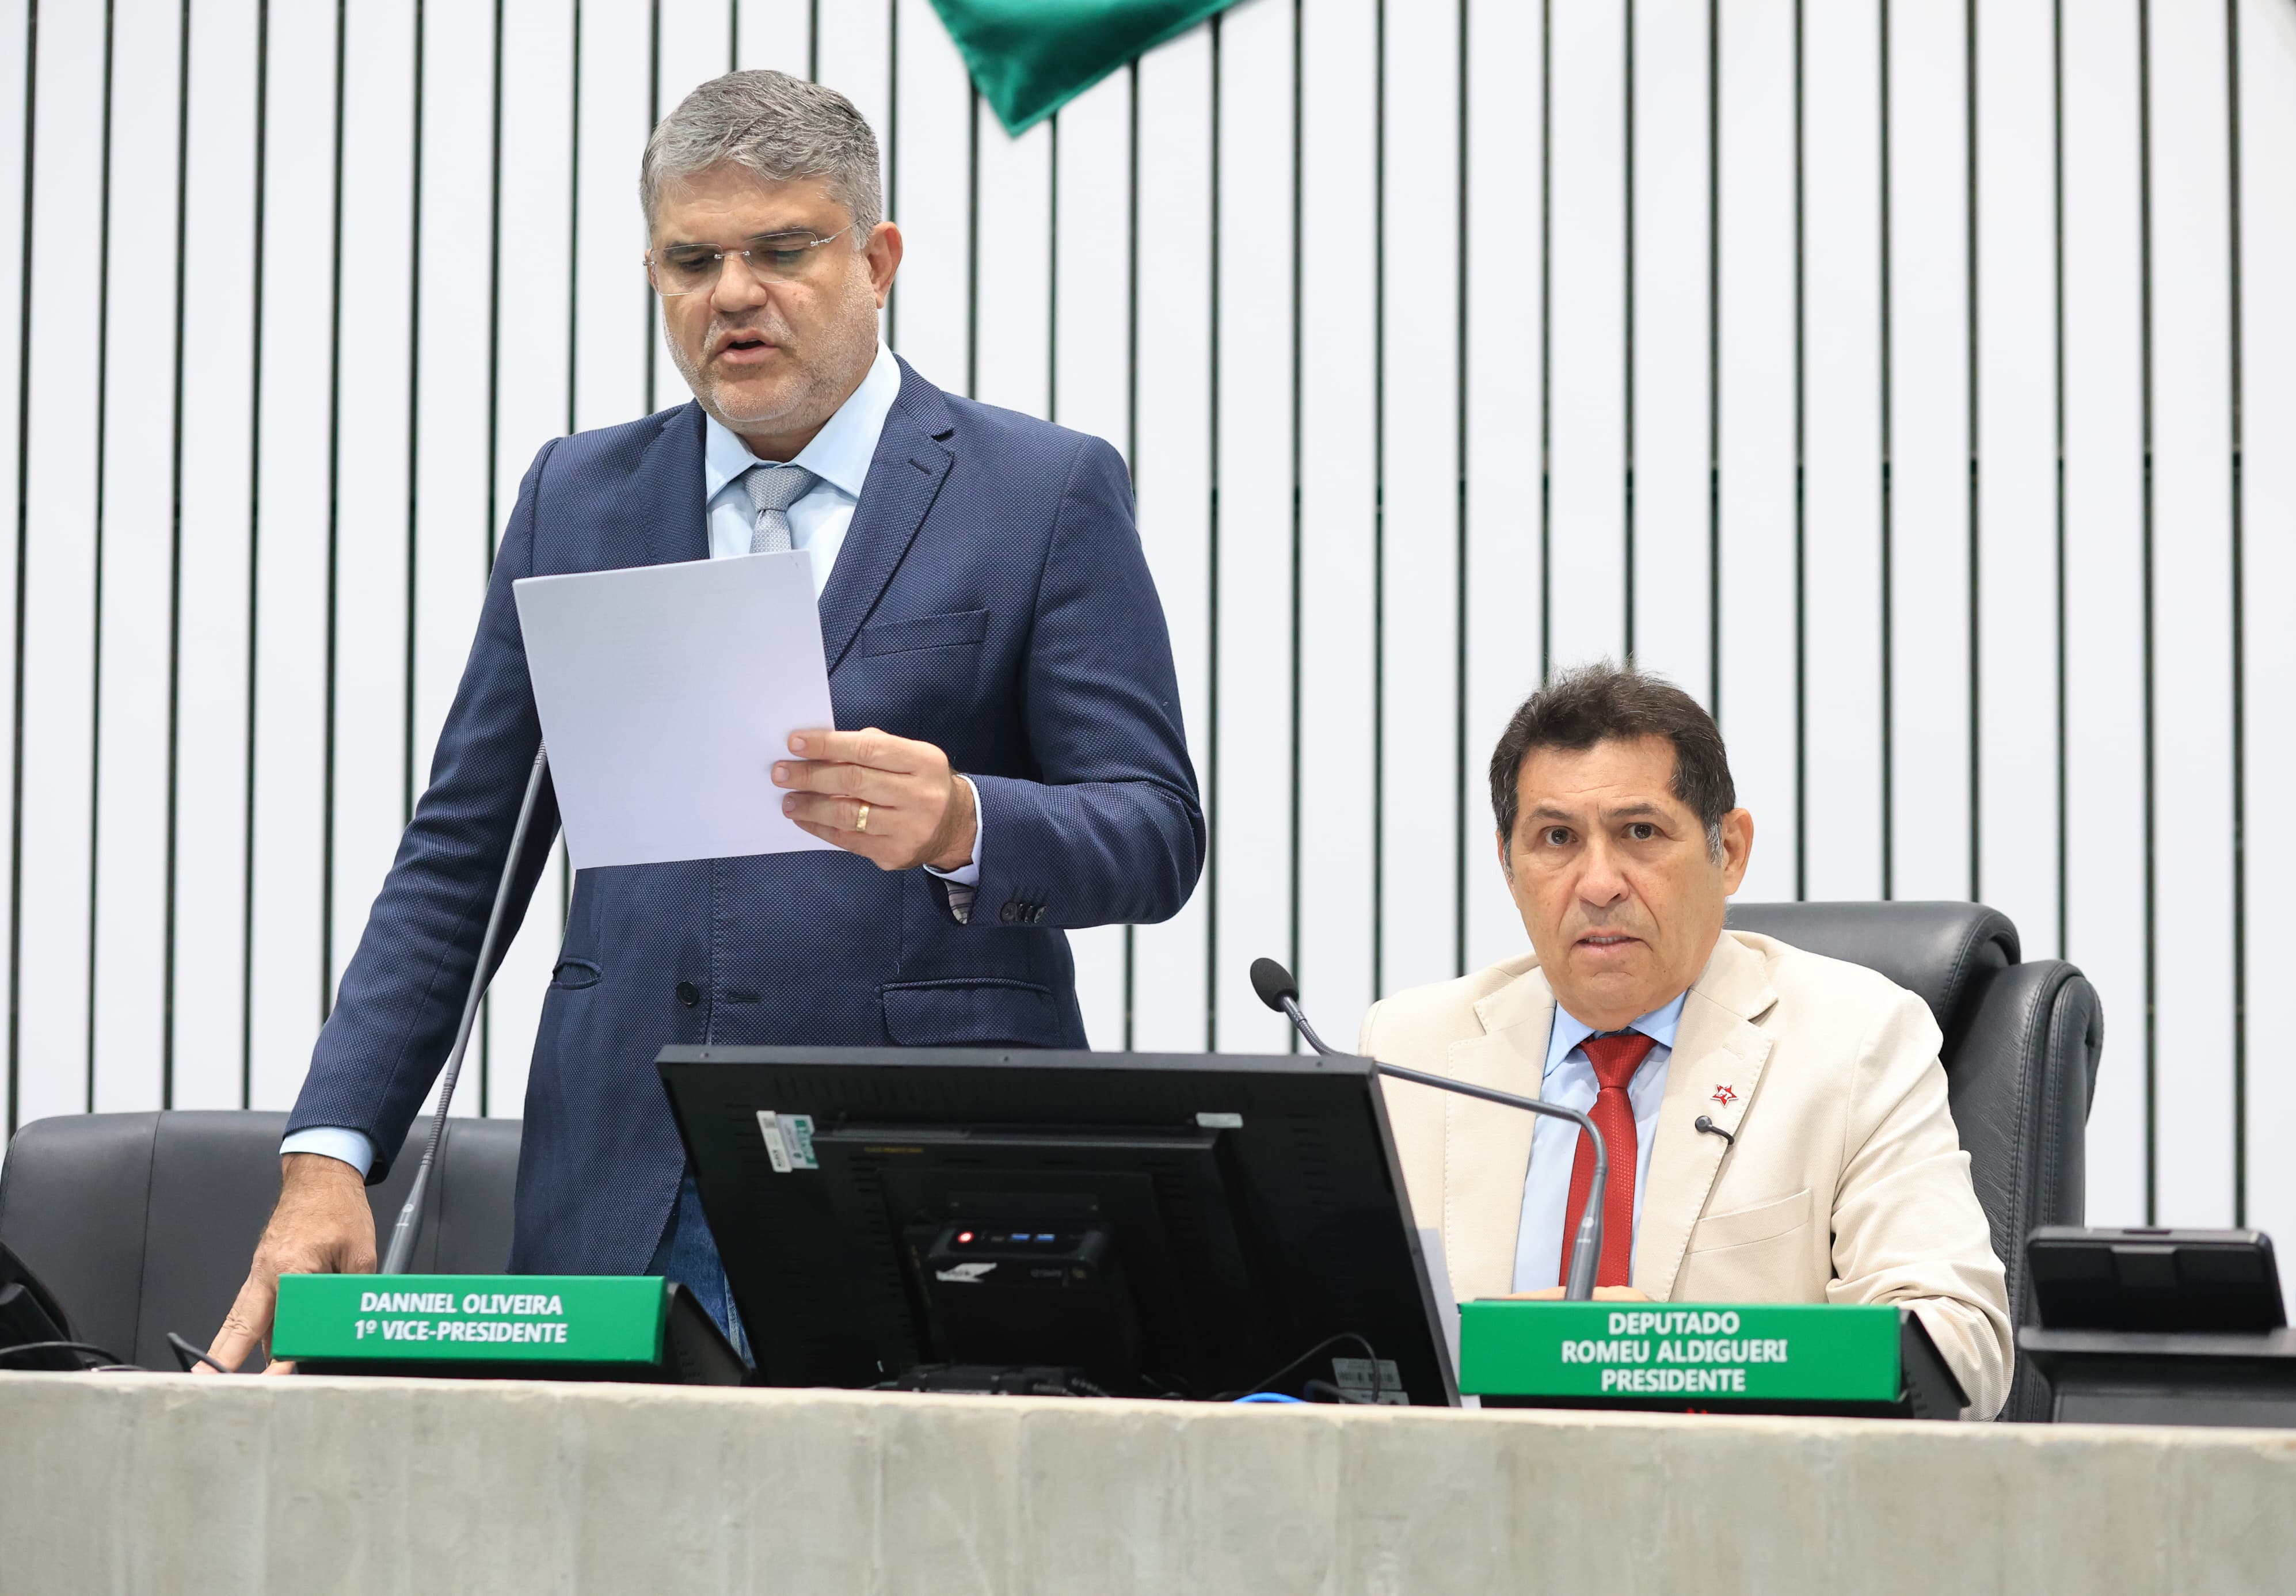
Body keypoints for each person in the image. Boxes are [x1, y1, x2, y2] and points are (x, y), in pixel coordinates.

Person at [206, 71, 1203, 1370]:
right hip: (625, 1178)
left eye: (783, 250)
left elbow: (1152, 831)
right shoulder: (580, 495)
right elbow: (463, 855)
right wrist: (330, 1151)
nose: (734, 292)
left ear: (877, 258)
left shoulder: (1039, 490)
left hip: (924, 1172)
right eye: (694, 259)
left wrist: (964, 820)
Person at [1358, 662, 2012, 1417]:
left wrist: (1666, 1357)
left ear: (1728, 851)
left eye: (1640, 832)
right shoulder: (1414, 1048)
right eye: (1557, 838)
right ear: (1508, 862)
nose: (1598, 881)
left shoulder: (1854, 1039)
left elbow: (1960, 1345)